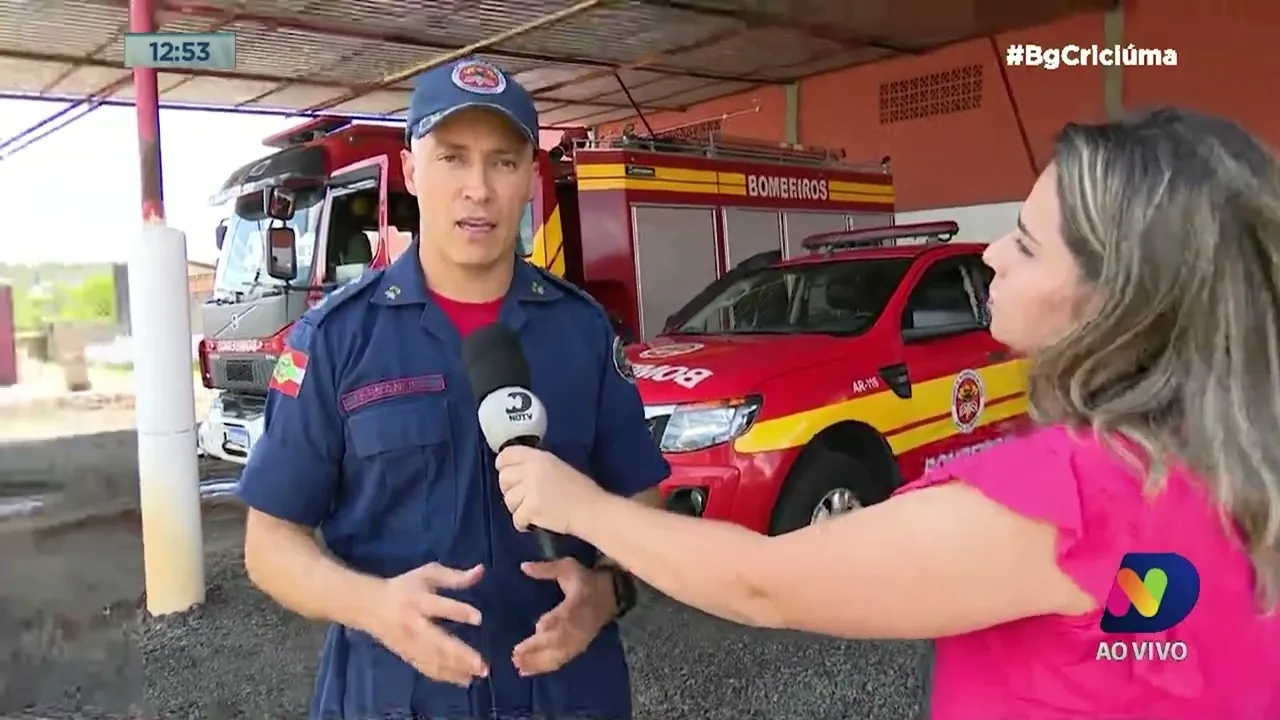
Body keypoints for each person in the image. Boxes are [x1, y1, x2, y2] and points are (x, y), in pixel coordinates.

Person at [493, 108, 1280, 718]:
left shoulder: (1072, 496)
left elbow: (761, 584)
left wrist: (581, 505)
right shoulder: (1231, 456)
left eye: (1027, 243)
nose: (991, 255)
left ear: (1123, 299)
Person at [236, 57, 668, 720]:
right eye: (452, 158)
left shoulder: (582, 332)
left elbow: (641, 494)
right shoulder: (336, 339)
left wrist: (607, 592)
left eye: (503, 162)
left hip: (566, 692)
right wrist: (374, 607)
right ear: (411, 171)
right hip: (394, 697)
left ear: (528, 177)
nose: (478, 189)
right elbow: (269, 543)